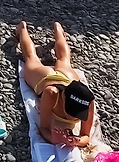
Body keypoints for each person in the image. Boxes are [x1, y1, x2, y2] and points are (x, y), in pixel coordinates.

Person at [16, 22, 96, 150]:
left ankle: (59, 31)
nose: (74, 117)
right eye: (71, 111)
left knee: (64, 59)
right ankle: (22, 29)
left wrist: (76, 141)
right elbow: (44, 128)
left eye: (78, 114)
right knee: (31, 58)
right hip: (46, 78)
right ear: (63, 98)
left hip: (67, 79)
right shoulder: (51, 94)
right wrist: (54, 139)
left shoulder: (87, 101)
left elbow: (86, 136)